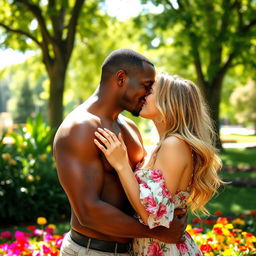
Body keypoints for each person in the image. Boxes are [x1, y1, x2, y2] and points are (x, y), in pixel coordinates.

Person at [53, 49, 187, 256]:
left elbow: (146, 186)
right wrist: (159, 233)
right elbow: (87, 212)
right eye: (146, 86)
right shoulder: (80, 128)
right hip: (92, 251)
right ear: (121, 78)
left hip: (131, 250)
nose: (149, 94)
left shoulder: (130, 128)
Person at [94, 73, 223, 255]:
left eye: (149, 91)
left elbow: (151, 217)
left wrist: (121, 164)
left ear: (168, 102)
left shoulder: (174, 145)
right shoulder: (161, 145)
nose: (142, 94)